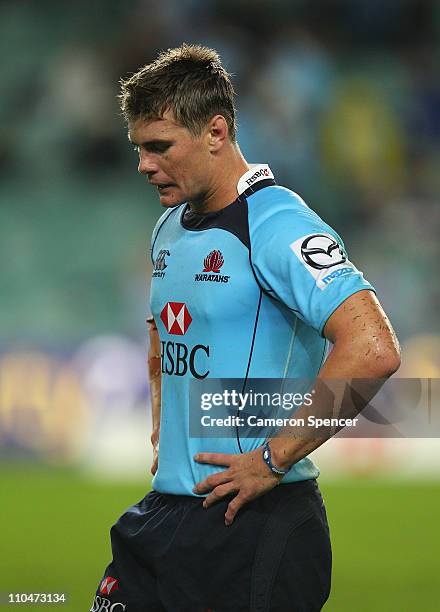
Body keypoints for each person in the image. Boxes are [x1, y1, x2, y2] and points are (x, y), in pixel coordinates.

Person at [90, 44, 401, 612]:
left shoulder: (277, 222)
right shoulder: (169, 226)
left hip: (254, 524)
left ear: (216, 131)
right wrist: (165, 421)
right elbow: (164, 328)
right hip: (167, 515)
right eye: (138, 148)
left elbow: (373, 349)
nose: (143, 164)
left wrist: (274, 459)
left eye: (159, 146)